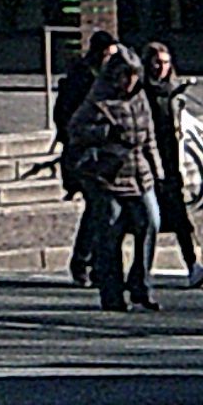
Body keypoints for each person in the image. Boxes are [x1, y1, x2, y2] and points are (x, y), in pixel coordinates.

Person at [64, 53, 162, 311]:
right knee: (111, 231)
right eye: (124, 75)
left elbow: (150, 136)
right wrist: (105, 133)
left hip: (140, 174)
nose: (129, 81)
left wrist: (159, 171)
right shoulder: (98, 101)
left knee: (151, 223)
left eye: (133, 75)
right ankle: (112, 292)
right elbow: (75, 130)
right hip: (109, 176)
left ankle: (141, 283)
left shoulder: (140, 99)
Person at [140, 41, 203, 287]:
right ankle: (138, 272)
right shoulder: (142, 92)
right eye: (157, 62)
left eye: (165, 62)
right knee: (144, 221)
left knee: (180, 219)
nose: (161, 67)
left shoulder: (171, 91)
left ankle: (192, 265)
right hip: (149, 163)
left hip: (171, 162)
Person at [54, 29, 121, 283]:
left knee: (101, 209)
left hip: (102, 152)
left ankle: (92, 261)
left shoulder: (108, 77)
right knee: (97, 207)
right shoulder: (82, 79)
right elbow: (66, 116)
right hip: (84, 153)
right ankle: (84, 261)